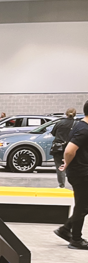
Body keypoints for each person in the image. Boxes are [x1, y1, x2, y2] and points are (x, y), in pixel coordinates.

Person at [54, 100, 88, 250]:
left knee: (84, 205)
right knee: (82, 206)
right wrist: (67, 163)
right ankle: (76, 239)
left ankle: (66, 229)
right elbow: (69, 150)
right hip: (81, 173)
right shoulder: (84, 129)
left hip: (80, 171)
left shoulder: (81, 126)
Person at [51, 108, 79, 188]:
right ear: (75, 114)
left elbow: (53, 133)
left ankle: (61, 185)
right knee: (73, 167)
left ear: (66, 114)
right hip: (71, 147)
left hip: (58, 148)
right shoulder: (77, 124)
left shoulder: (60, 123)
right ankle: (75, 185)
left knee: (59, 166)